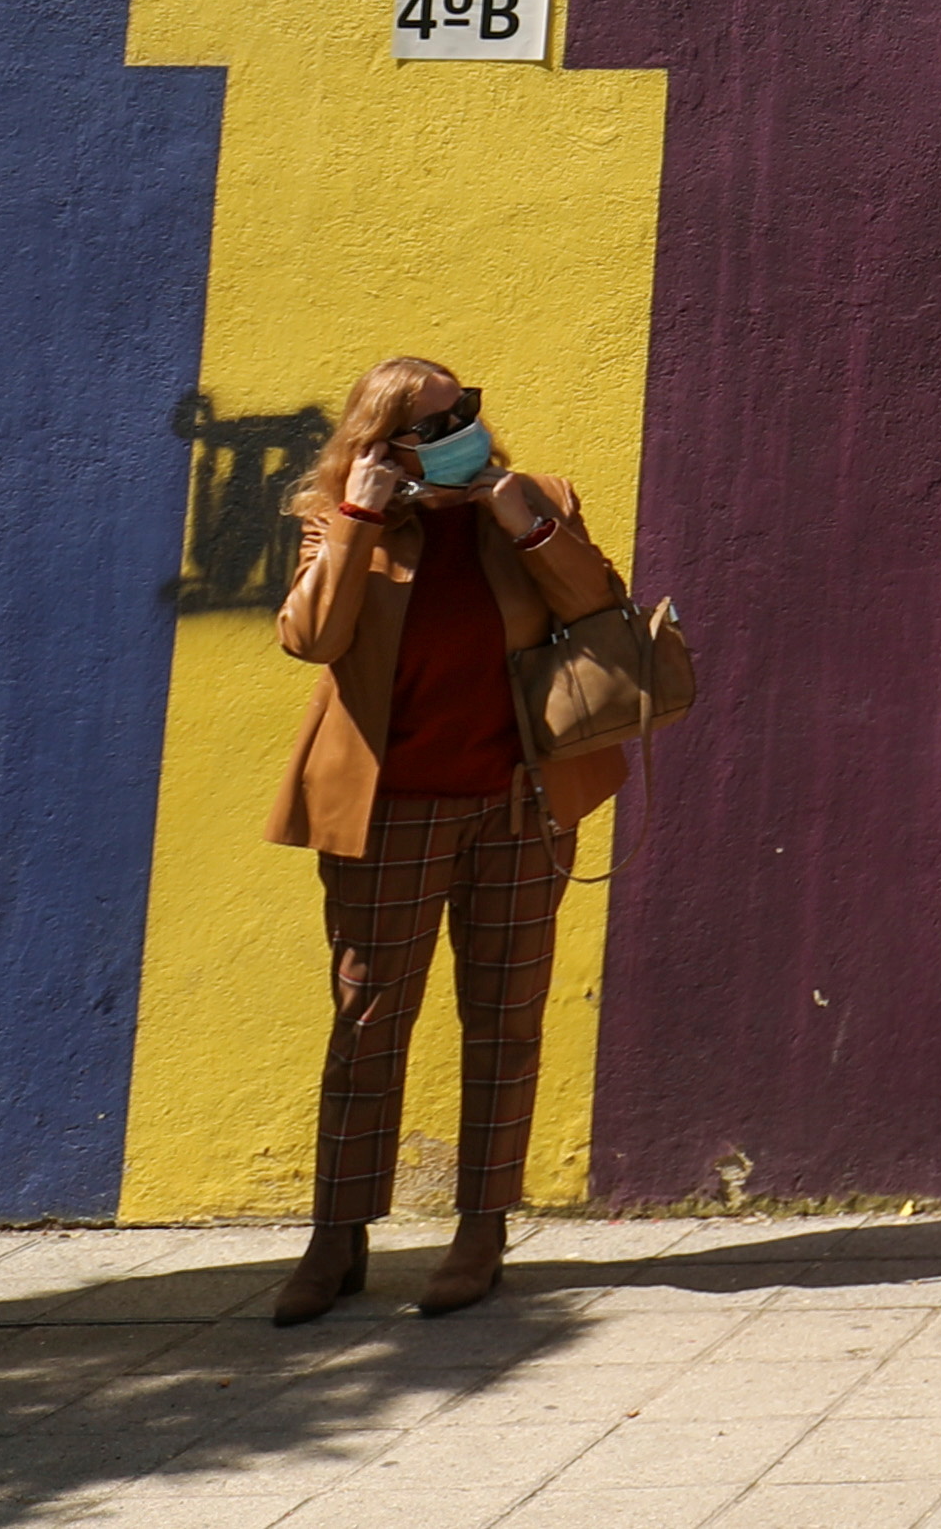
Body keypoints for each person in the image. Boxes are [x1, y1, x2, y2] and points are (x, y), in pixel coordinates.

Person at [264, 354, 631, 1327]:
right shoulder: (340, 518)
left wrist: (523, 515)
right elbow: (310, 637)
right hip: (389, 812)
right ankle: (336, 1235)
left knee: (504, 1016)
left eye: (467, 406)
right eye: (436, 419)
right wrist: (358, 516)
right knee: (368, 1022)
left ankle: (482, 1225)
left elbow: (598, 605)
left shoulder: (534, 499)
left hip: (517, 802)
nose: (464, 423)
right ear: (386, 442)